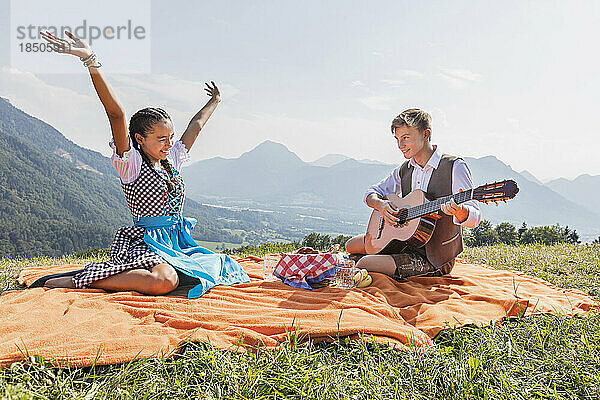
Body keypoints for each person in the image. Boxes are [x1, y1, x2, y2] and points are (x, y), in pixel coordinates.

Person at [34, 30, 250, 298]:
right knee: (164, 282)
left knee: (218, 266)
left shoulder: (171, 159)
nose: (169, 143)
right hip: (145, 242)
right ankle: (84, 279)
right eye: (161, 139)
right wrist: (90, 60)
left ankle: (137, 273)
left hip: (175, 241)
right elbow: (116, 113)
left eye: (170, 137)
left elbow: (196, 125)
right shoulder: (131, 163)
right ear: (139, 138)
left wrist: (215, 100)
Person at [345, 108, 481, 280]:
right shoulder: (405, 169)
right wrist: (381, 205)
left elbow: (475, 217)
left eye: (406, 138)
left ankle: (365, 264)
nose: (400, 145)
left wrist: (460, 211)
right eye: (397, 139)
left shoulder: (454, 167)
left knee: (364, 263)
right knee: (351, 246)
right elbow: (371, 193)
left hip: (433, 257)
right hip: (405, 243)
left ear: (426, 134)